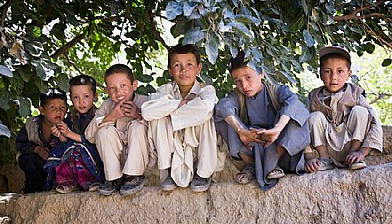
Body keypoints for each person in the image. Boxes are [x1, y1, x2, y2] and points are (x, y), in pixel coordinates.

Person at [214, 51, 310, 191]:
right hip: (252, 146)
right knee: (223, 116)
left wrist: (277, 129)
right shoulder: (238, 96)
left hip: (278, 148)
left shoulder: (276, 90)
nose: (244, 85)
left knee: (297, 111)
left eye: (248, 77)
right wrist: (242, 131)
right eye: (238, 81)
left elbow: (294, 103)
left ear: (261, 74)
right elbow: (223, 106)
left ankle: (272, 164)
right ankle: (252, 166)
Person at [141, 44, 219, 193]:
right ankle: (167, 170)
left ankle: (203, 174)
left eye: (189, 64)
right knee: (157, 118)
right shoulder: (164, 90)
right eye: (177, 65)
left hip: (197, 142)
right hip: (171, 143)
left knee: (207, 115)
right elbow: (146, 111)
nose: (184, 70)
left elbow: (204, 110)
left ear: (198, 68)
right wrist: (180, 104)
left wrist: (170, 112)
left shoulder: (206, 90)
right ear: (170, 70)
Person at [304, 45, 383, 173]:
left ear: (349, 74)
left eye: (340, 71)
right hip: (326, 147)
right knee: (314, 116)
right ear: (320, 73)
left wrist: (362, 152)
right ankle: (324, 159)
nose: (334, 77)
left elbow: (374, 123)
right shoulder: (314, 96)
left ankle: (353, 159)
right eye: (327, 71)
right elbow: (301, 126)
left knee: (361, 111)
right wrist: (308, 157)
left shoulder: (356, 94)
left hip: (350, 146)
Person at [85, 64, 153, 196]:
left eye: (123, 86)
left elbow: (157, 131)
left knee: (138, 126)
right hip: (118, 160)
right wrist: (111, 116)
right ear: (106, 90)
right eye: (112, 88)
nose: (118, 92)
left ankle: (134, 175)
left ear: (134, 85)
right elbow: (89, 136)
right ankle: (113, 178)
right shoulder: (107, 105)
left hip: (142, 160)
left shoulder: (146, 101)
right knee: (105, 131)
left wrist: (138, 114)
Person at [44, 75, 105, 193]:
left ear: (95, 97)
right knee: (61, 148)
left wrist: (68, 133)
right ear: (71, 99)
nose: (81, 101)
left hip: (93, 156)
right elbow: (66, 141)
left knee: (77, 147)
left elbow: (90, 140)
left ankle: (91, 181)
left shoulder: (98, 116)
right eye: (76, 97)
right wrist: (61, 135)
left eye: (86, 96)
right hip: (74, 150)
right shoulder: (71, 117)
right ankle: (68, 182)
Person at [16, 88, 67, 193]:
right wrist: (37, 149)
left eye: (62, 107)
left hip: (57, 167)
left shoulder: (68, 126)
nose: (58, 111)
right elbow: (20, 144)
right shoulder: (31, 124)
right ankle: (33, 189)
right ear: (42, 110)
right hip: (36, 165)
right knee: (29, 159)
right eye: (52, 107)